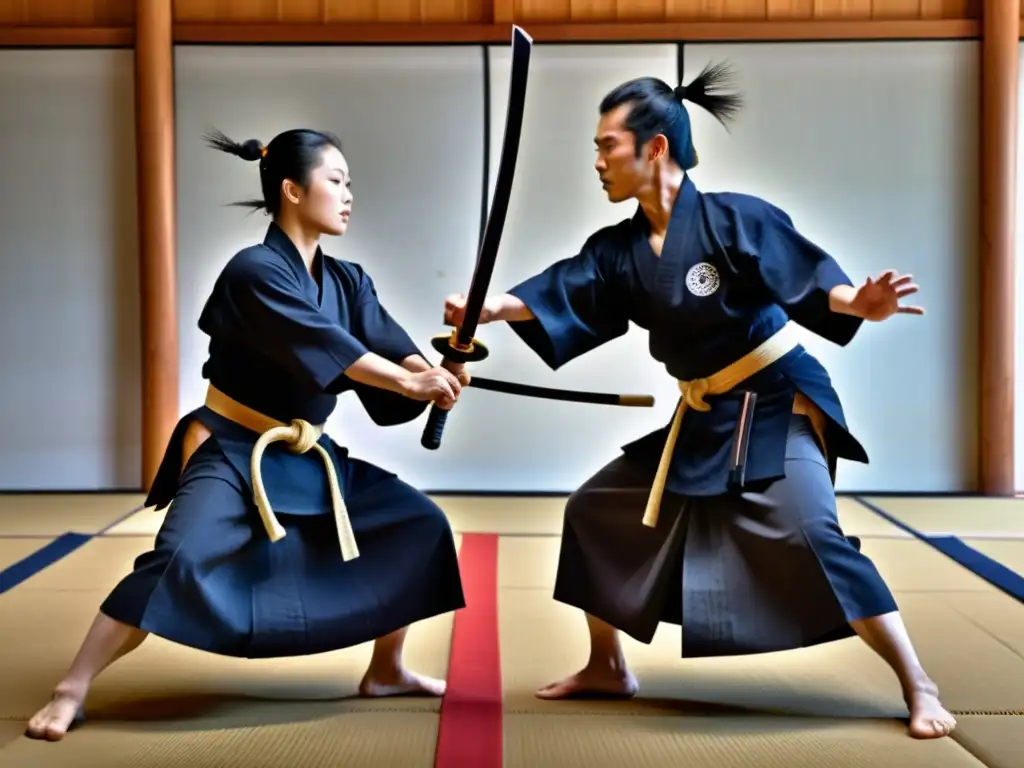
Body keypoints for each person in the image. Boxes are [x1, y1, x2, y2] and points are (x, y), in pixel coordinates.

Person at [443, 63, 956, 740]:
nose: (597, 161)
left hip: (776, 400)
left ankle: (918, 683)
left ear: (654, 148)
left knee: (810, 533)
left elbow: (805, 280)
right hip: (706, 414)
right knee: (595, 511)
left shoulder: (736, 219)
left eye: (607, 145)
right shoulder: (619, 248)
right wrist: (489, 310)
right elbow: (567, 292)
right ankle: (607, 666)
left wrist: (858, 302)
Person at [27, 128, 468, 741]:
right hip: (234, 448)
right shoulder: (254, 272)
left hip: (308, 452)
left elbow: (390, 348)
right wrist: (408, 379)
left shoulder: (349, 280)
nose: (348, 196)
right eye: (336, 181)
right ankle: (71, 687)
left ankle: (387, 668)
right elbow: (334, 350)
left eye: (349, 184)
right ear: (291, 189)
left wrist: (437, 374)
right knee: (177, 558)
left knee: (419, 524)